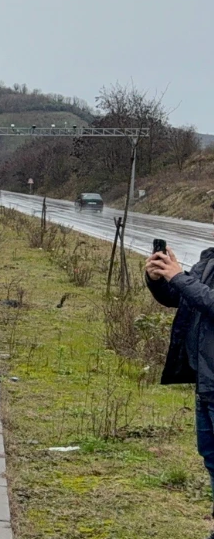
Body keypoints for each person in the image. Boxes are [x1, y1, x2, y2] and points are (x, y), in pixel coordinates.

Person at [146, 199, 214, 535]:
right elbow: (184, 297)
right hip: (207, 382)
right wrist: (161, 278)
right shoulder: (210, 259)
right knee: (212, 460)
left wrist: (179, 278)